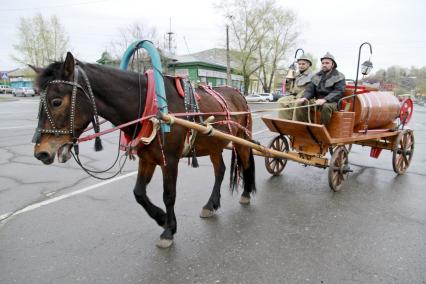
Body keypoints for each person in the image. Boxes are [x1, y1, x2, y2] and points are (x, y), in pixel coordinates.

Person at [295, 52, 345, 126]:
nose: (324, 65)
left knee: (326, 106)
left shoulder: (339, 76)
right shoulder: (317, 75)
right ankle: (304, 126)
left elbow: (338, 91)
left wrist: (325, 99)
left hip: (332, 102)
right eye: (323, 63)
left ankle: (323, 128)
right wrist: (304, 98)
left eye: (327, 63)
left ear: (333, 64)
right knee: (301, 104)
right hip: (317, 100)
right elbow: (310, 89)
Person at [278, 55, 313, 120]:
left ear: (308, 65)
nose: (301, 66)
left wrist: (299, 98)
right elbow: (289, 89)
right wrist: (288, 79)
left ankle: (296, 124)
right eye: (299, 64)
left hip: (305, 97)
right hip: (294, 96)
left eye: (303, 64)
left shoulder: (312, 76)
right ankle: (285, 122)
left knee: (297, 103)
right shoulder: (295, 75)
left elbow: (308, 90)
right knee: (281, 101)